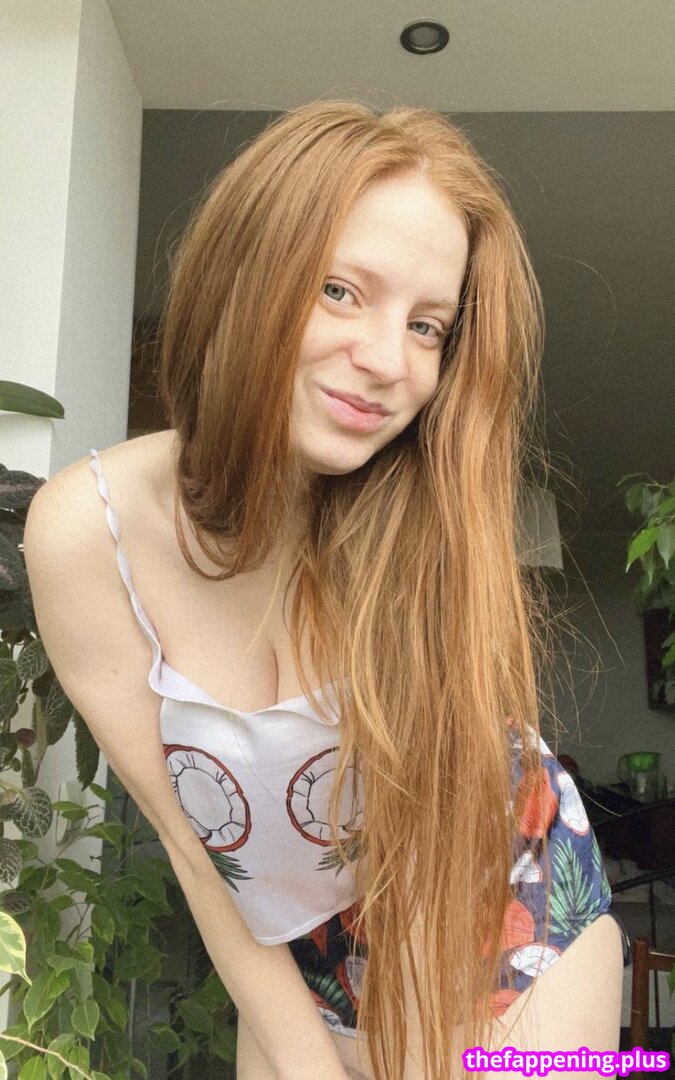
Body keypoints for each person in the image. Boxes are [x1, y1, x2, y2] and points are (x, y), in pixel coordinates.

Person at [23, 100, 629, 1080]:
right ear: (243, 274)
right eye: (341, 291)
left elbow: (431, 844)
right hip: (295, 959)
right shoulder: (88, 536)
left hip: (504, 918)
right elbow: (195, 850)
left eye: (427, 326)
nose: (388, 363)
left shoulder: (416, 523)